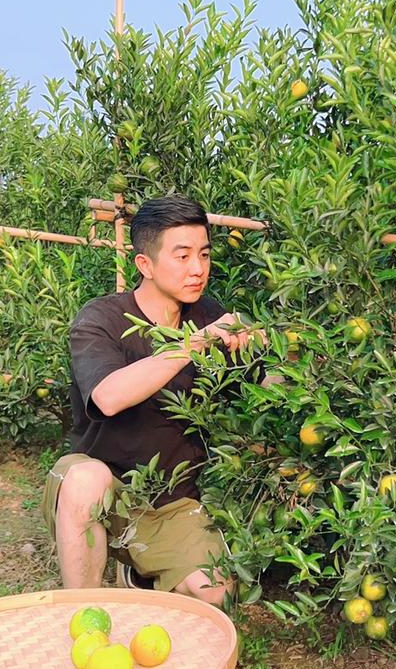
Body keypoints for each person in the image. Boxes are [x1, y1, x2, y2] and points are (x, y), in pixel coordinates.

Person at [41, 194, 259, 604]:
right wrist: (196, 344)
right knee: (85, 479)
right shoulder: (101, 319)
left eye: (205, 255)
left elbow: (261, 386)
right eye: (182, 256)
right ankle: (83, 610)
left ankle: (140, 572)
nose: (198, 269)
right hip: (106, 491)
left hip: (171, 502)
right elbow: (109, 397)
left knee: (219, 596)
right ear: (145, 264)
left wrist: (269, 348)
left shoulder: (209, 314)